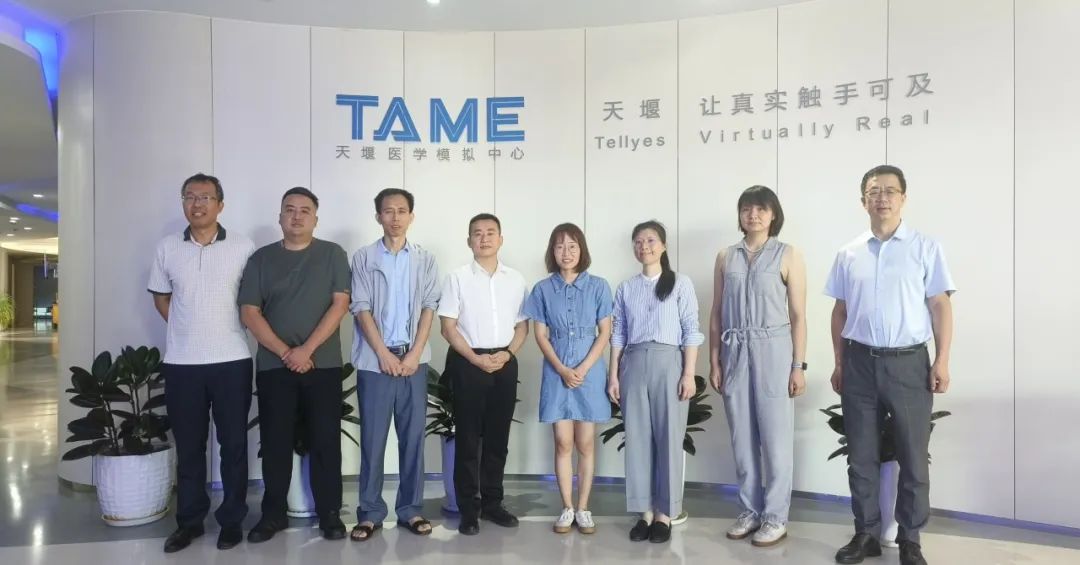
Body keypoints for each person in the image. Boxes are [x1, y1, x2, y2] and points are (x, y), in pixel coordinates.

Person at [826, 165, 955, 565]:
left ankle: (910, 539)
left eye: (890, 191)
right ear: (862, 200)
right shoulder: (848, 253)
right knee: (861, 455)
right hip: (859, 363)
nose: (881, 198)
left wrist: (942, 359)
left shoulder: (925, 247)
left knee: (913, 456)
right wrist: (839, 362)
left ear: (903, 198)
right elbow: (840, 311)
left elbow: (940, 305)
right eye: (874, 191)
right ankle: (865, 533)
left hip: (908, 363)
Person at [149, 173, 255, 553]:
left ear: (220, 205)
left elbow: (252, 301)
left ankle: (232, 520)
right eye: (190, 197)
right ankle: (190, 522)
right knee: (190, 446)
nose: (197, 204)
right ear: (183, 203)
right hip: (182, 364)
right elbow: (161, 298)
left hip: (232, 361)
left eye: (205, 197)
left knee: (233, 444)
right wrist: (185, 329)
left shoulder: (243, 246)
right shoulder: (167, 247)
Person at [238, 187, 352, 542]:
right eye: (290, 209)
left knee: (325, 441)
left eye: (305, 210)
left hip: (324, 365)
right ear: (280, 217)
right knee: (275, 442)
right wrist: (287, 352)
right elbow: (249, 312)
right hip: (275, 368)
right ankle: (273, 514)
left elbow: (340, 305)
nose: (297, 216)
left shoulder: (333, 254)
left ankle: (329, 513)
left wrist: (307, 350)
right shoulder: (261, 259)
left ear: (316, 218)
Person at [708, 185, 807, 547]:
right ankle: (749, 511)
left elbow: (798, 315)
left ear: (773, 214)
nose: (753, 215)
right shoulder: (725, 256)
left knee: (776, 439)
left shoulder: (788, 254)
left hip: (774, 349)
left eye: (761, 209)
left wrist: (798, 365)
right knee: (742, 437)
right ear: (740, 215)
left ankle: (776, 517)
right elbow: (716, 313)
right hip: (735, 350)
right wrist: (715, 360)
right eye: (747, 208)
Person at [348, 188, 439, 541]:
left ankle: (410, 509)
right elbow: (360, 307)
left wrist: (414, 353)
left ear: (411, 216)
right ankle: (370, 512)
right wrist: (383, 354)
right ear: (378, 217)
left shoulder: (424, 259)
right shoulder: (364, 257)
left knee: (412, 439)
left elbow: (430, 305)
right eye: (388, 211)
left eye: (402, 211)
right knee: (373, 439)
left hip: (414, 360)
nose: (396, 217)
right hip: (376, 363)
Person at [607, 220, 703, 544]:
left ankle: (665, 513)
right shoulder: (626, 288)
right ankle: (644, 512)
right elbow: (618, 334)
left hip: (669, 363)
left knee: (669, 437)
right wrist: (613, 375)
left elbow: (691, 330)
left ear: (663, 245)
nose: (643, 246)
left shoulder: (680, 284)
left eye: (650, 240)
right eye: (638, 241)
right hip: (633, 363)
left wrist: (688, 373)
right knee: (637, 439)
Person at [438, 213, 529, 536]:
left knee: (497, 438)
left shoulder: (515, 279)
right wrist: (476, 359)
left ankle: (493, 503)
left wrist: (508, 353)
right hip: (468, 363)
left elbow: (522, 326)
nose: (484, 238)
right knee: (466, 439)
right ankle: (468, 509)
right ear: (469, 241)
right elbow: (447, 327)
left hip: (504, 361)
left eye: (491, 232)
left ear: (500, 239)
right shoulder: (457, 278)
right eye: (477, 233)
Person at [523, 223, 613, 534]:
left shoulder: (599, 286)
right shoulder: (542, 289)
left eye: (572, 245)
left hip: (590, 371)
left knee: (585, 443)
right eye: (560, 246)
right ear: (552, 251)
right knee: (562, 442)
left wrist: (584, 368)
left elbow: (605, 332)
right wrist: (562, 369)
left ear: (581, 250)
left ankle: (584, 508)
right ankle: (567, 507)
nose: (566, 252)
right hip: (556, 371)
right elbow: (540, 334)